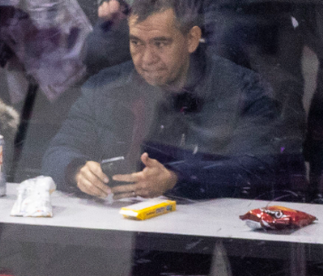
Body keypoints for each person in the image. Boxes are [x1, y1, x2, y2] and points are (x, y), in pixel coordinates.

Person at [41, 0, 280, 202]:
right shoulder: (107, 87)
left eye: (160, 44)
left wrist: (177, 178)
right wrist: (76, 170)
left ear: (191, 39)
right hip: (136, 233)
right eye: (136, 43)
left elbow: (258, 166)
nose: (146, 58)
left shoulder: (243, 89)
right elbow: (57, 151)